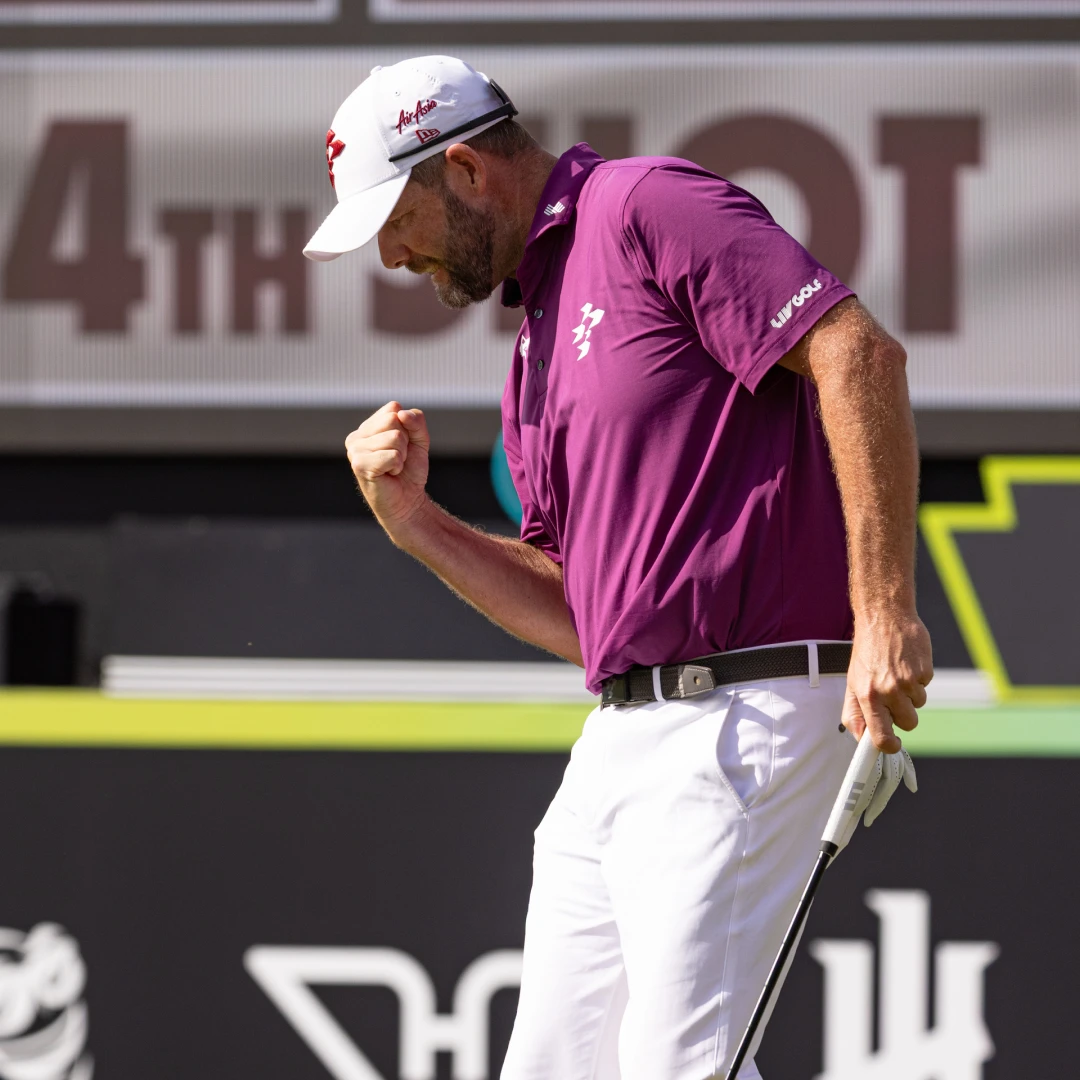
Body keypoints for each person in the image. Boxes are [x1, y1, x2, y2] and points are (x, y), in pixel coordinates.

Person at [304, 55, 932, 1080]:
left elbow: (856, 354)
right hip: (623, 734)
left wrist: (884, 609)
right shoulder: (532, 348)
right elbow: (583, 615)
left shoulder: (646, 206)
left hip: (747, 710)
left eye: (395, 220)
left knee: (683, 1067)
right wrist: (416, 523)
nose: (392, 256)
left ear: (465, 169)